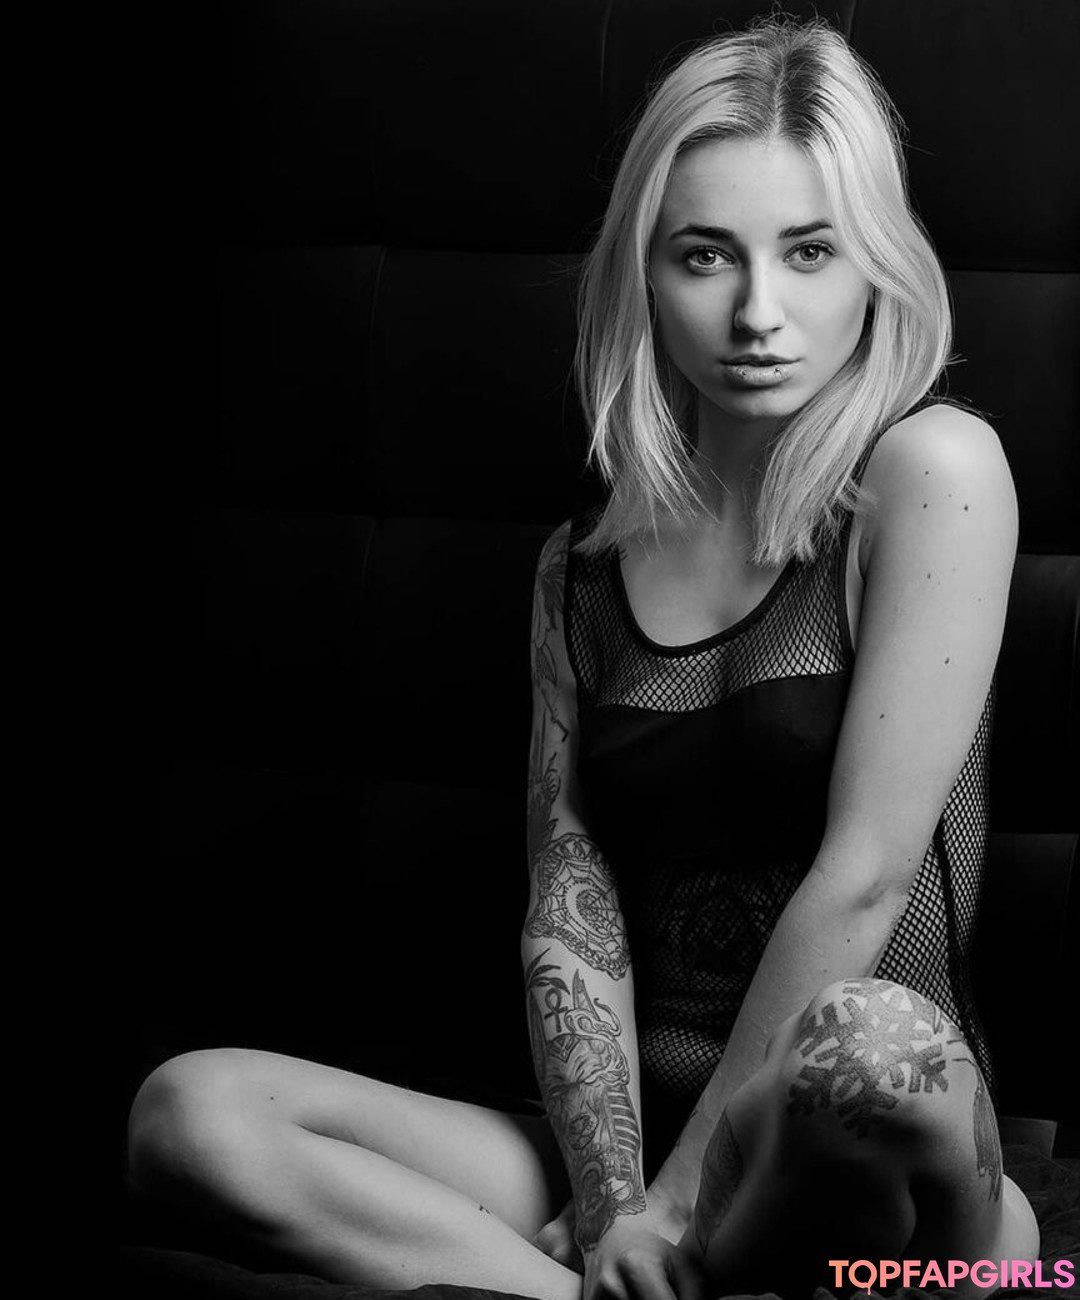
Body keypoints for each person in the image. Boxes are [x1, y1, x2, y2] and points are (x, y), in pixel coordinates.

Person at [127, 17, 1037, 1300]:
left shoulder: (933, 472)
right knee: (192, 1112)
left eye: (810, 250)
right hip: (632, 1156)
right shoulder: (583, 566)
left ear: (875, 263)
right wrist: (613, 1201)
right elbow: (572, 894)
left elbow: (868, 874)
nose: (759, 312)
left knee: (871, 1044)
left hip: (857, 1140)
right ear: (645, 274)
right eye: (706, 255)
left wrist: (671, 1207)